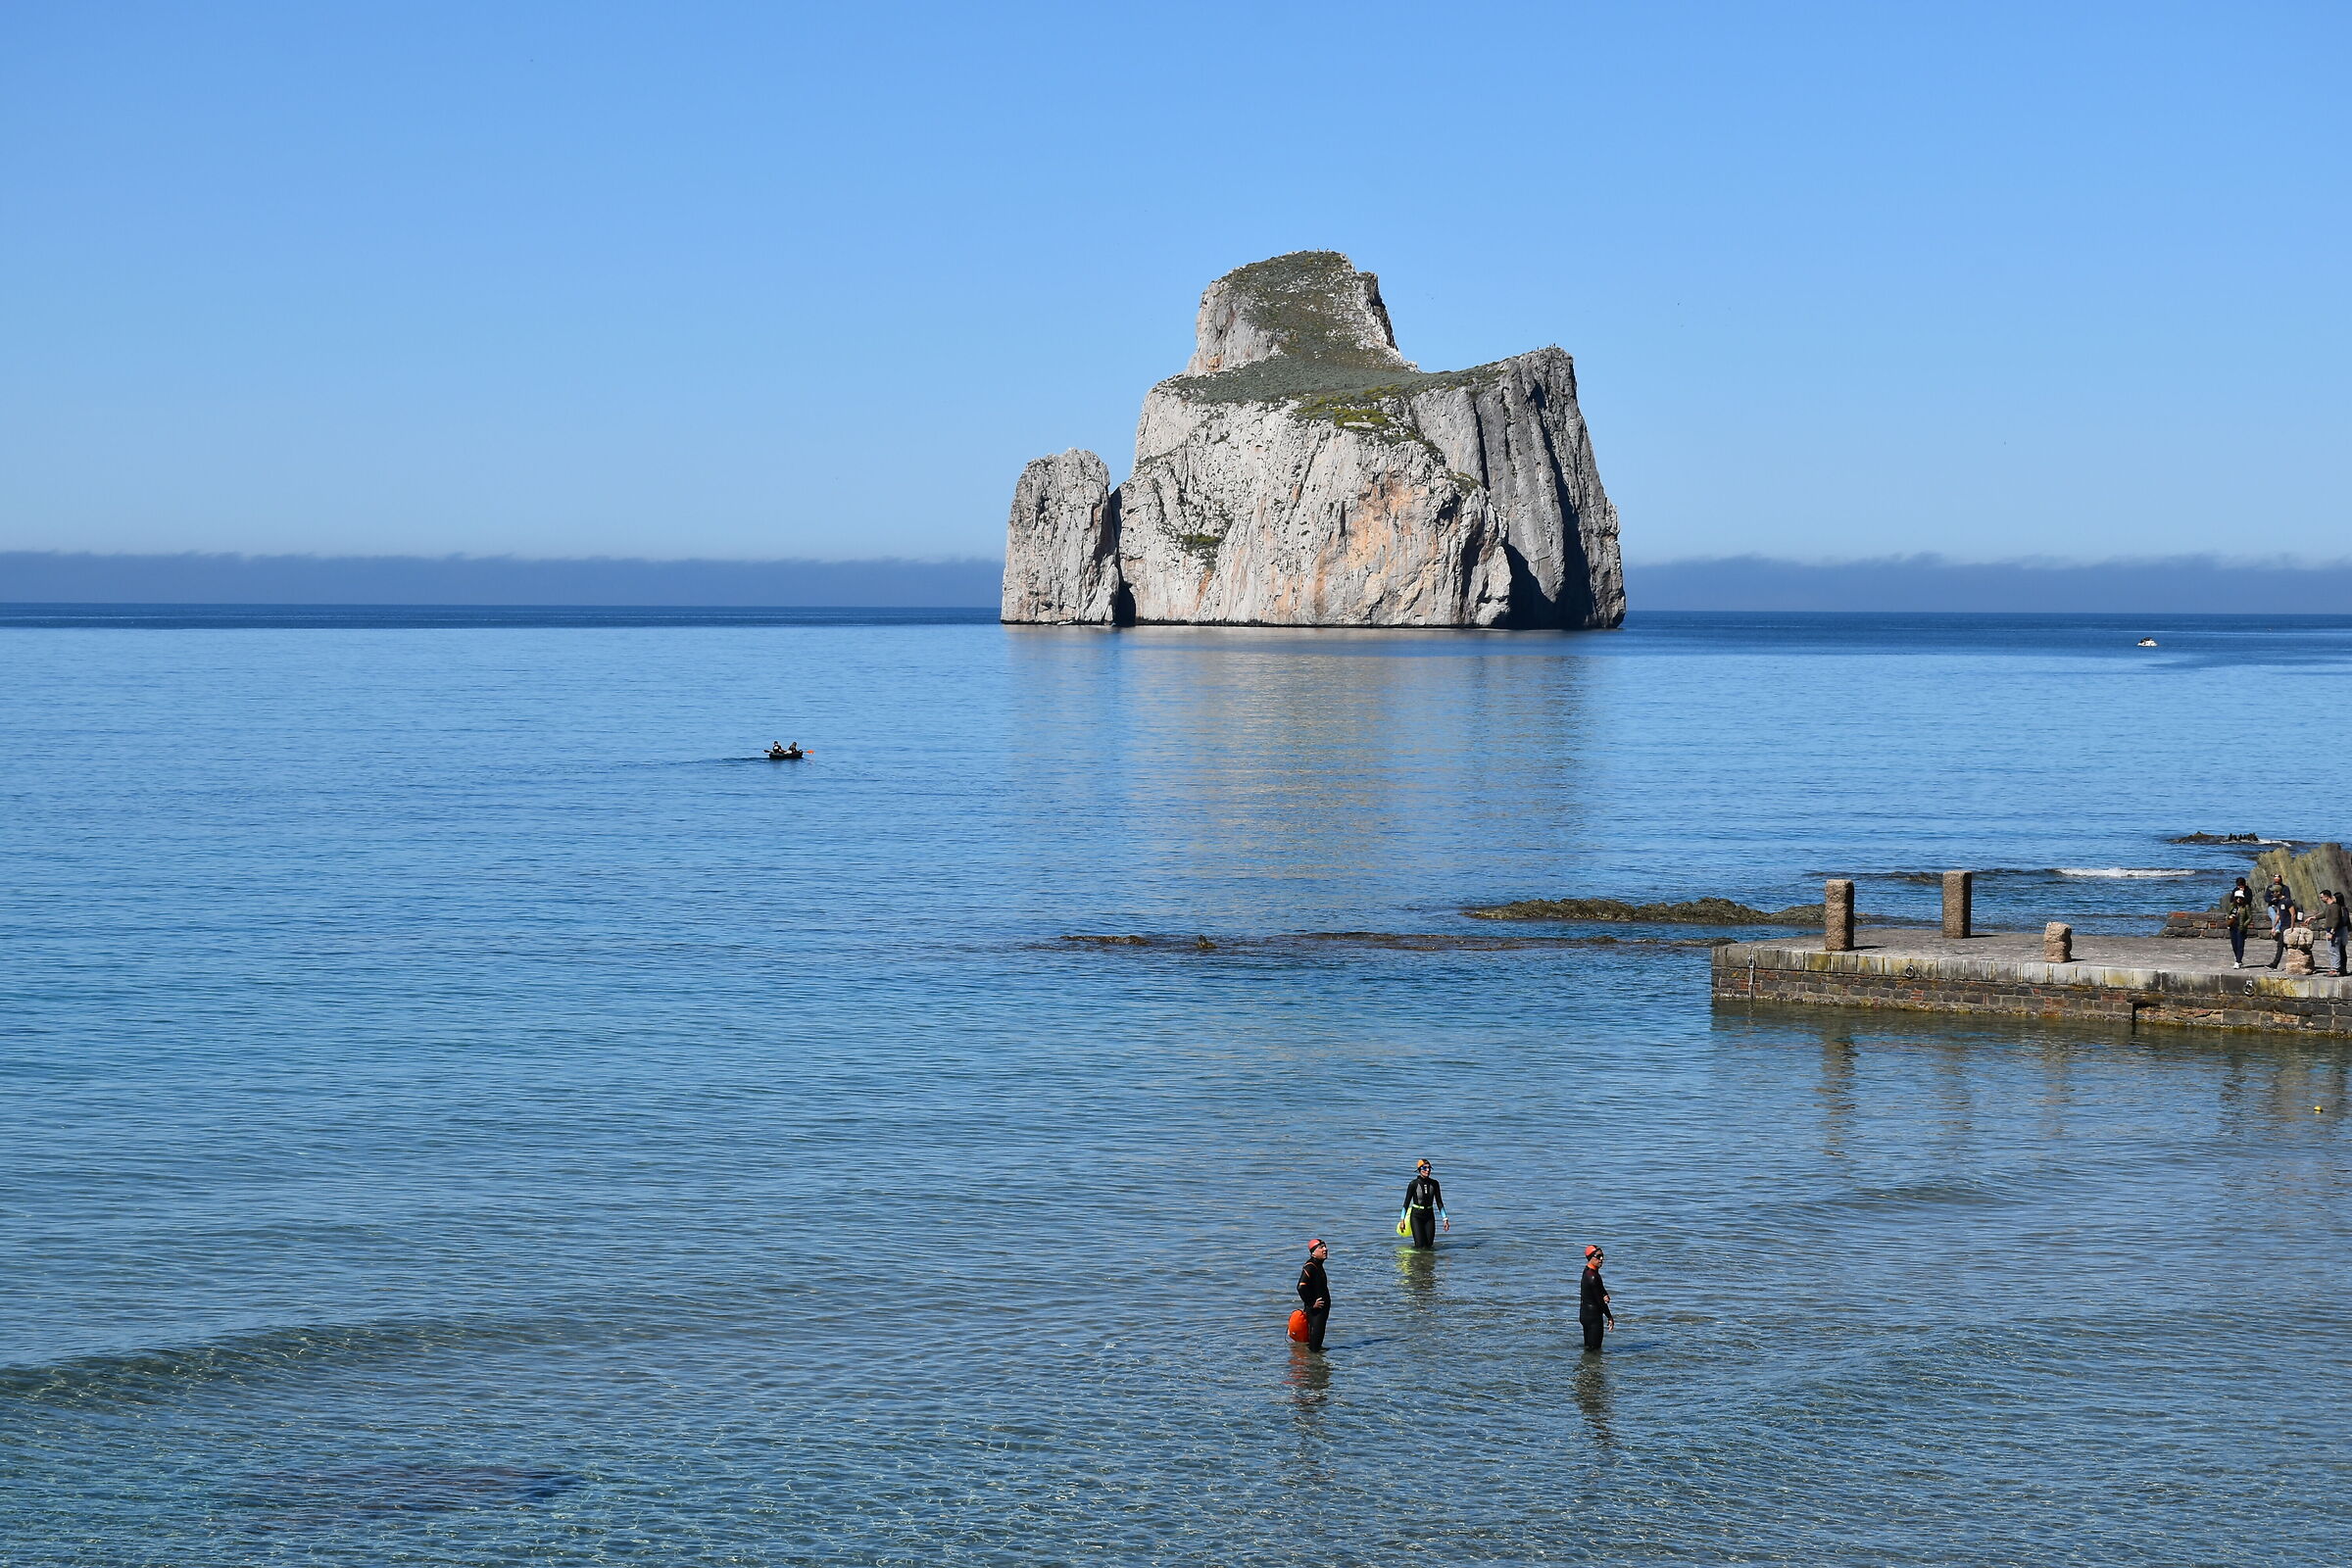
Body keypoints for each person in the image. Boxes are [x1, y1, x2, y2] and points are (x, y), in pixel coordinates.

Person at [1401, 1158, 1447, 1250]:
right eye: (1425, 1168)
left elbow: (1439, 1202)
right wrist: (1402, 1220)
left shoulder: (1435, 1184)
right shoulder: (1413, 1184)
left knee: (1429, 1246)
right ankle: (1416, 1261)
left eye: (1429, 1168)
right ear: (1419, 1169)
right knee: (1419, 1245)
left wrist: (1445, 1219)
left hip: (1429, 1216)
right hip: (1416, 1216)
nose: (1428, 1170)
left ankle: (1427, 1262)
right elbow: (1406, 1203)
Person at [1296, 1238, 1331, 1352]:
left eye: (1325, 1246)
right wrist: (1311, 1303)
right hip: (1316, 1311)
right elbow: (1301, 1287)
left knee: (1317, 1343)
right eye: (1321, 1247)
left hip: (1320, 1310)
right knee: (1315, 1347)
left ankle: (1314, 1362)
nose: (1325, 1249)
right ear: (1313, 1253)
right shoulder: (1310, 1266)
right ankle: (1314, 1366)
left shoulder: (1318, 1264)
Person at [1579, 1244, 1614, 1352]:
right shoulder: (1593, 1277)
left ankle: (1585, 1367)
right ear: (1591, 1258)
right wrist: (1609, 1317)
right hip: (1593, 1317)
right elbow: (1600, 1302)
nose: (1601, 1259)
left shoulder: (1588, 1271)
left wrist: (1604, 1294)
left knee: (1588, 1348)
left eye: (1602, 1256)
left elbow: (1599, 1288)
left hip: (1584, 1314)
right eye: (1598, 1256)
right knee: (1595, 1350)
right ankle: (1594, 1368)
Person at [2317, 890, 2350, 976]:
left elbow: (2336, 920)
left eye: (2321, 897)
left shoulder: (2336, 907)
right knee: (2334, 950)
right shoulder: (2330, 906)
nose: (2320, 898)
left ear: (2326, 896)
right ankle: (2337, 968)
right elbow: (2325, 914)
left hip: (2337, 931)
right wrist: (2314, 917)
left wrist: (2332, 931)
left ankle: (2336, 969)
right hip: (2334, 931)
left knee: (2335, 950)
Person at [2226, 877, 2254, 968]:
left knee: (2240, 944)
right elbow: (2228, 913)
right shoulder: (2232, 905)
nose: (2238, 899)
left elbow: (2250, 917)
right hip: (2232, 926)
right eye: (2236, 898)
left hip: (2241, 926)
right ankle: (2238, 959)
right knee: (2234, 945)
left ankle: (2238, 961)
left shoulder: (2246, 905)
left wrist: (2244, 925)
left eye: (2239, 898)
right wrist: (2229, 917)